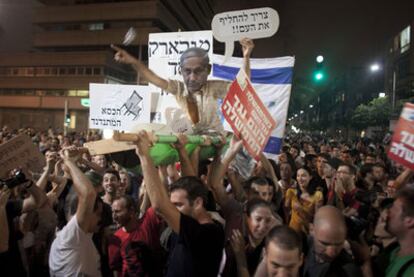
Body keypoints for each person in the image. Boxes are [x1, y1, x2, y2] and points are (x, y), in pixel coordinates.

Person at [111, 38, 254, 134]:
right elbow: (152, 78)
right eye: (187, 72)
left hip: (215, 138)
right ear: (181, 71)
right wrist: (133, 62)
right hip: (190, 139)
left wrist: (246, 57)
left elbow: (243, 86)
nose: (192, 78)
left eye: (198, 71)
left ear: (208, 70)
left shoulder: (215, 87)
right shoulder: (178, 88)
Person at [133, 130, 225, 276]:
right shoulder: (196, 216)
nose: (173, 210)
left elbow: (159, 205)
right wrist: (181, 150)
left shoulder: (207, 234)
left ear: (198, 203)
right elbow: (192, 183)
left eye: (178, 205)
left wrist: (144, 155)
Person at [49, 147, 103, 276]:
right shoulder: (71, 237)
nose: (100, 220)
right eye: (98, 215)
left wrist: (78, 158)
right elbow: (88, 194)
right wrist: (68, 161)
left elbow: (100, 173)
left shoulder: (79, 236)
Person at [108, 195, 163, 277]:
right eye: (112, 212)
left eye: (117, 211)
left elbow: (159, 201)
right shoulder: (116, 239)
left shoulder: (147, 223)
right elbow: (115, 268)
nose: (114, 216)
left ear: (131, 211)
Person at [303, 206, 363, 277]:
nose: (331, 253)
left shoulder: (347, 271)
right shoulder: (303, 245)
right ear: (311, 230)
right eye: (324, 243)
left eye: (339, 244)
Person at [384, 187, 414, 276]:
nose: (387, 214)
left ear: (409, 221)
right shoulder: (395, 251)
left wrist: (366, 265)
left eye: (393, 209)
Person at [285, 167, 323, 234]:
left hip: (308, 233)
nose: (300, 178)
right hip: (292, 232)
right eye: (298, 176)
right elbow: (286, 212)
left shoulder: (318, 195)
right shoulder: (291, 192)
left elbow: (317, 218)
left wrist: (302, 210)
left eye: (303, 176)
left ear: (310, 177)